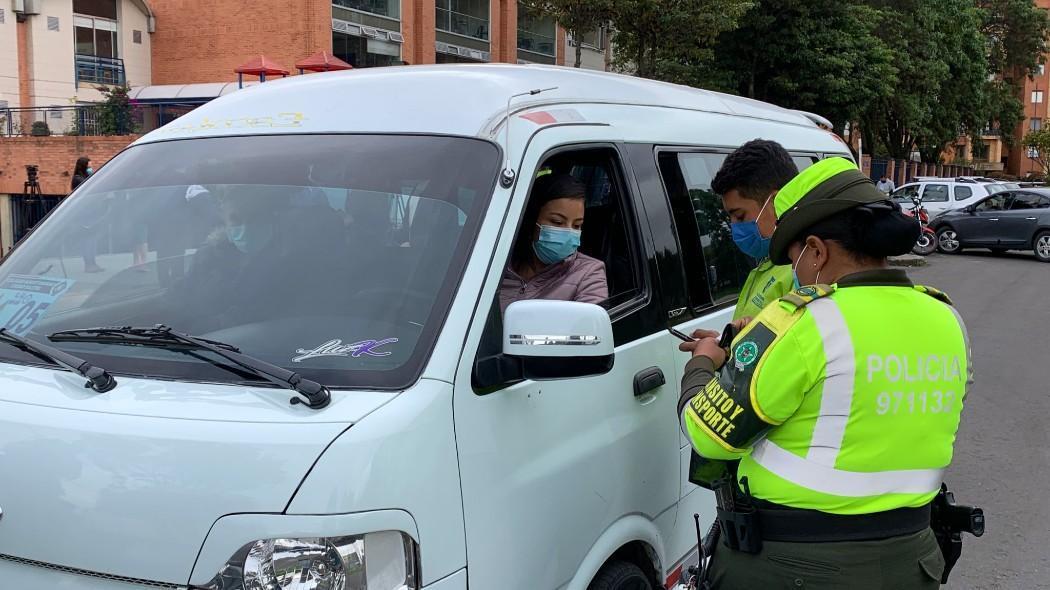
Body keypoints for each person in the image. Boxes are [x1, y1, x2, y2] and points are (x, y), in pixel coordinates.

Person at [677, 157, 972, 589]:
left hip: (795, 566)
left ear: (816, 250)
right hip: (911, 560)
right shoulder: (947, 318)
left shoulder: (803, 324)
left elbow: (706, 434)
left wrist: (702, 363)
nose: (793, 269)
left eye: (794, 255)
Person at [710, 139, 797, 322]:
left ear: (775, 202)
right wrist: (725, 342)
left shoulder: (802, 272)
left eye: (740, 216)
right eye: (730, 218)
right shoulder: (768, 261)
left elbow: (793, 348)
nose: (734, 227)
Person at [499, 173, 608, 311]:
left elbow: (590, 326)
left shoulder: (589, 273)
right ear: (531, 220)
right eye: (557, 222)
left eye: (577, 225)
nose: (568, 233)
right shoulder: (497, 267)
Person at [70, 157, 105, 273]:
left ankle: (93, 263)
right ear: (83, 166)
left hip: (91, 213)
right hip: (84, 215)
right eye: (89, 166)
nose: (91, 169)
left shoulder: (84, 177)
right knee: (88, 240)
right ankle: (88, 265)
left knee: (92, 240)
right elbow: (91, 186)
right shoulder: (78, 179)